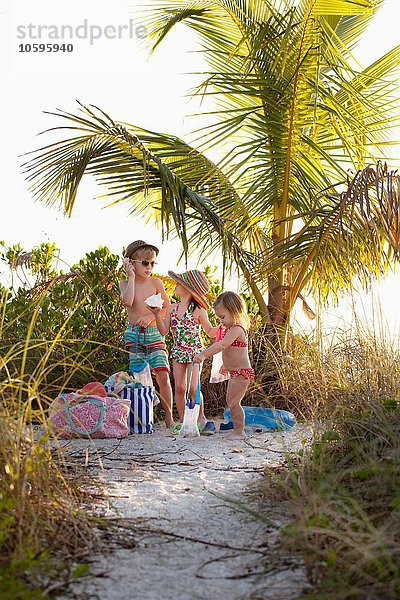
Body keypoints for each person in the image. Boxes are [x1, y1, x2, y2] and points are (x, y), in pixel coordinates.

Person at [148, 269, 218, 435]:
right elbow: (164, 331)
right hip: (178, 351)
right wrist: (157, 314)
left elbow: (209, 331)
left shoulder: (199, 310)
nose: (176, 286)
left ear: (188, 288)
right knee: (179, 387)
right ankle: (184, 421)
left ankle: (200, 419)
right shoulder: (172, 308)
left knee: (193, 387)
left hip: (195, 353)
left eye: (179, 284)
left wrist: (225, 326)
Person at [119, 240, 174, 428]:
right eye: (145, 262)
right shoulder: (125, 283)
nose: (149, 267)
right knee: (138, 378)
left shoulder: (156, 282)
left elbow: (167, 307)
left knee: (162, 375)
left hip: (153, 333)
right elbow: (128, 302)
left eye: (152, 263)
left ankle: (169, 419)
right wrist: (131, 277)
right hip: (133, 335)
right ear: (131, 262)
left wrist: (151, 317)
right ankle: (143, 419)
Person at [193, 291, 254, 440]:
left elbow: (222, 345)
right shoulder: (230, 329)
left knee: (234, 402)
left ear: (235, 311)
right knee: (231, 401)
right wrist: (227, 366)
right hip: (235, 372)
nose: (221, 321)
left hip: (241, 373)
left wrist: (203, 354)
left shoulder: (237, 329)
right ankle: (237, 429)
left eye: (222, 317)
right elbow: (234, 352)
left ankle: (240, 432)